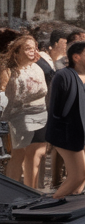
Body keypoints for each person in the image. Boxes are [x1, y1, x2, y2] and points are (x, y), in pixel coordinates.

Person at [47, 40, 85, 198]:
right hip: (67, 132)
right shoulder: (63, 76)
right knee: (79, 174)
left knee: (83, 178)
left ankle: (69, 210)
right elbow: (55, 108)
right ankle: (50, 206)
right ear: (76, 57)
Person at [3, 35, 49, 188]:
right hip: (19, 116)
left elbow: (45, 88)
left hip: (40, 113)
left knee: (37, 153)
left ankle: (32, 190)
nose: (32, 51)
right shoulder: (10, 71)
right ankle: (13, 191)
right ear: (16, 52)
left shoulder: (37, 66)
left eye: (34, 48)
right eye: (28, 48)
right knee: (19, 153)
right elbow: (6, 95)